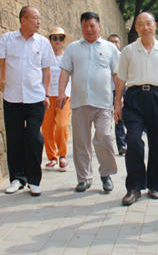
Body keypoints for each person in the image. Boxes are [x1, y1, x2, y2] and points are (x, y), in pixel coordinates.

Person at [0, 6, 56, 197]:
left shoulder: (43, 42)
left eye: (39, 18)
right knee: (14, 138)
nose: (39, 22)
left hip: (36, 98)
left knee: (34, 137)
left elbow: (46, 70)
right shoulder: (7, 39)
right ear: (23, 20)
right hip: (12, 97)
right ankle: (17, 179)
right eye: (35, 18)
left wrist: (46, 94)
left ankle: (34, 181)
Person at [114, 12, 158, 206]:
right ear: (136, 28)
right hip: (134, 98)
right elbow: (121, 78)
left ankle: (155, 185)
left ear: (154, 25)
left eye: (148, 23)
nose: (145, 27)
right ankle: (134, 187)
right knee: (133, 140)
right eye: (140, 24)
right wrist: (117, 102)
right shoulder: (128, 51)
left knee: (157, 144)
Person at [57, 12, 119, 193]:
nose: (89, 29)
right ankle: (84, 178)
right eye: (85, 26)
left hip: (104, 103)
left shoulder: (110, 48)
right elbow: (65, 71)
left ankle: (106, 174)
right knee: (81, 143)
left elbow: (117, 74)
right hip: (80, 102)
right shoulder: (73, 48)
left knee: (105, 137)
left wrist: (119, 98)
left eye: (92, 25)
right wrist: (61, 92)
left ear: (99, 26)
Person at [42, 27, 72, 172]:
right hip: (48, 95)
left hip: (63, 95)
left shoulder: (67, 57)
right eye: (54, 38)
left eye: (61, 38)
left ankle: (62, 155)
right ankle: (52, 157)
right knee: (47, 127)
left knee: (61, 125)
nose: (57, 41)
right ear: (50, 40)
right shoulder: (45, 57)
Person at [108, 33, 127, 156]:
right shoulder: (104, 57)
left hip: (122, 89)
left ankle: (123, 144)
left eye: (116, 42)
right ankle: (111, 145)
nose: (114, 44)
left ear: (120, 44)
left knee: (122, 116)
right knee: (109, 118)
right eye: (111, 42)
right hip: (108, 90)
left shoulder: (124, 57)